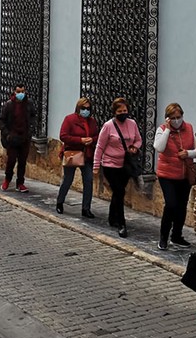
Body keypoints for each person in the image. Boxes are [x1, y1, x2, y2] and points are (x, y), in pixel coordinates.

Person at [94, 97, 142, 238]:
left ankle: (112, 217)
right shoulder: (108, 126)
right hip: (110, 164)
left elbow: (138, 139)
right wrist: (96, 165)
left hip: (126, 164)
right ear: (114, 112)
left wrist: (134, 147)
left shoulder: (132, 124)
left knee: (118, 192)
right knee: (119, 191)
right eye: (120, 111)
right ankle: (122, 223)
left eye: (125, 110)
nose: (123, 113)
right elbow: (100, 146)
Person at [154, 103, 196, 250]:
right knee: (171, 204)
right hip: (167, 174)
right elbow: (159, 147)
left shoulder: (189, 128)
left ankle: (177, 236)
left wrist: (189, 154)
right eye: (173, 118)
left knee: (182, 206)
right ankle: (163, 237)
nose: (176, 120)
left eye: (179, 117)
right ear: (168, 119)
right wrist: (167, 130)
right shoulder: (162, 130)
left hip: (185, 174)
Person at [56, 98, 99, 218]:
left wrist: (92, 140)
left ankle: (86, 208)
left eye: (88, 109)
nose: (86, 111)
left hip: (87, 154)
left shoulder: (92, 121)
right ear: (78, 108)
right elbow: (63, 136)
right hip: (73, 153)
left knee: (88, 180)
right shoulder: (70, 119)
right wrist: (80, 140)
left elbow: (97, 136)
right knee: (68, 179)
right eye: (83, 108)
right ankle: (60, 202)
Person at [0, 84, 36, 193]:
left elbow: (33, 116)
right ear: (14, 92)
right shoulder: (9, 105)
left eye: (23, 91)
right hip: (12, 138)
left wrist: (30, 129)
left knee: (22, 161)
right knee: (11, 160)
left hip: (24, 137)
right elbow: (1, 120)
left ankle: (20, 183)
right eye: (19, 91)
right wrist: (7, 134)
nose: (21, 94)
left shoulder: (29, 104)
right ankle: (7, 179)